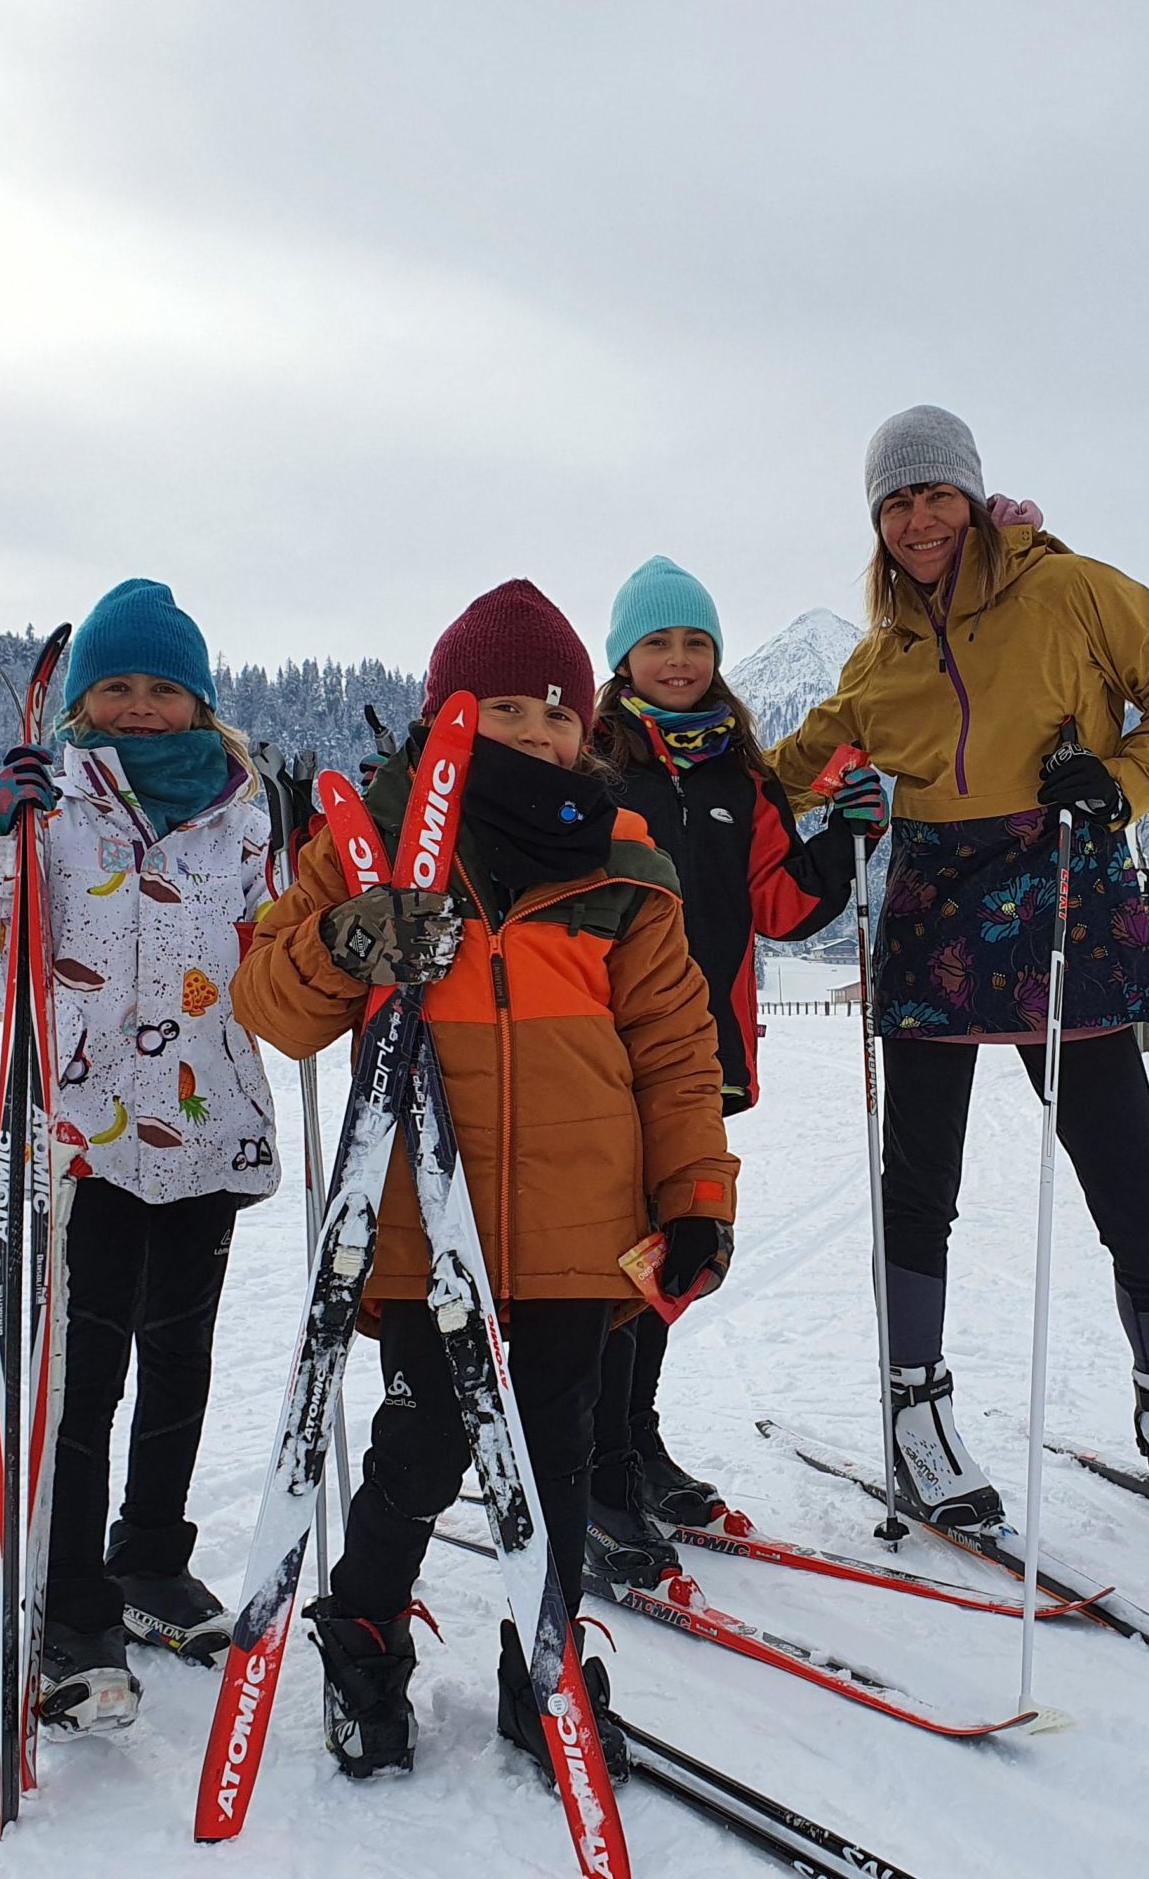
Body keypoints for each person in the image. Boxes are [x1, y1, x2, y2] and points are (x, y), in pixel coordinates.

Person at [231, 578, 738, 1782]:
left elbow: (675, 1052)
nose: (532, 734)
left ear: (586, 726)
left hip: (580, 1226)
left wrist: (697, 1198)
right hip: (422, 1214)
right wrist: (349, 936)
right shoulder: (373, 847)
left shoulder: (626, 862)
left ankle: (543, 1661)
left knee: (557, 1453)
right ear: (447, 715)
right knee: (422, 1448)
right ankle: (362, 1636)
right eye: (500, 709)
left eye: (554, 713)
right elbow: (271, 1003)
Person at [769, 405, 1149, 1528]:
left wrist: (1122, 779)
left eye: (934, 492)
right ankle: (915, 1413)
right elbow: (769, 784)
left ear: (973, 493)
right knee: (919, 1186)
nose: (917, 518)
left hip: (1065, 896)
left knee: (1126, 1167)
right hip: (934, 913)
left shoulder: (1074, 590)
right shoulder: (875, 664)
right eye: (894, 502)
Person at [0, 577, 278, 1732]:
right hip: (85, 1136)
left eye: (163, 688)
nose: (141, 707)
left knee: (181, 1361)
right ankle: (73, 1607)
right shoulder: (48, 805)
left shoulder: (247, 813)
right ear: (85, 701)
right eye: (118, 687)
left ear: (199, 700)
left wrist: (335, 892)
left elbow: (283, 966)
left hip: (211, 1122)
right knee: (83, 1378)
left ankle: (148, 1561)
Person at [579, 557, 885, 1579]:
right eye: (658, 643)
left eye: (695, 643)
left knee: (673, 1247)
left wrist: (843, 839)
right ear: (623, 658)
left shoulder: (736, 777)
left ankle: (637, 1441)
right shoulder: (587, 767)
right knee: (608, 1256)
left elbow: (782, 907)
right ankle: (597, 1467)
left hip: (699, 1050)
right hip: (597, 1047)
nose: (677, 661)